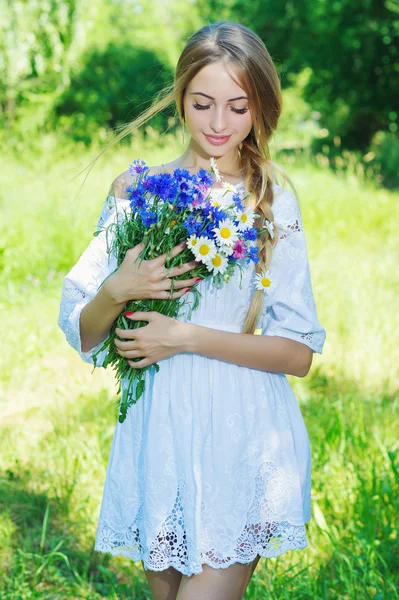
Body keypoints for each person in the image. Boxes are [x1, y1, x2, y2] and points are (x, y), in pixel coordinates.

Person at [58, 20, 327, 600]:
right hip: (160, 438)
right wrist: (118, 288)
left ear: (260, 108)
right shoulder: (138, 190)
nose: (219, 123)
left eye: (238, 106)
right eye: (203, 103)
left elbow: (298, 353)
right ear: (180, 97)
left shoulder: (269, 198)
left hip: (243, 435)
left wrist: (183, 335)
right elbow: (84, 332)